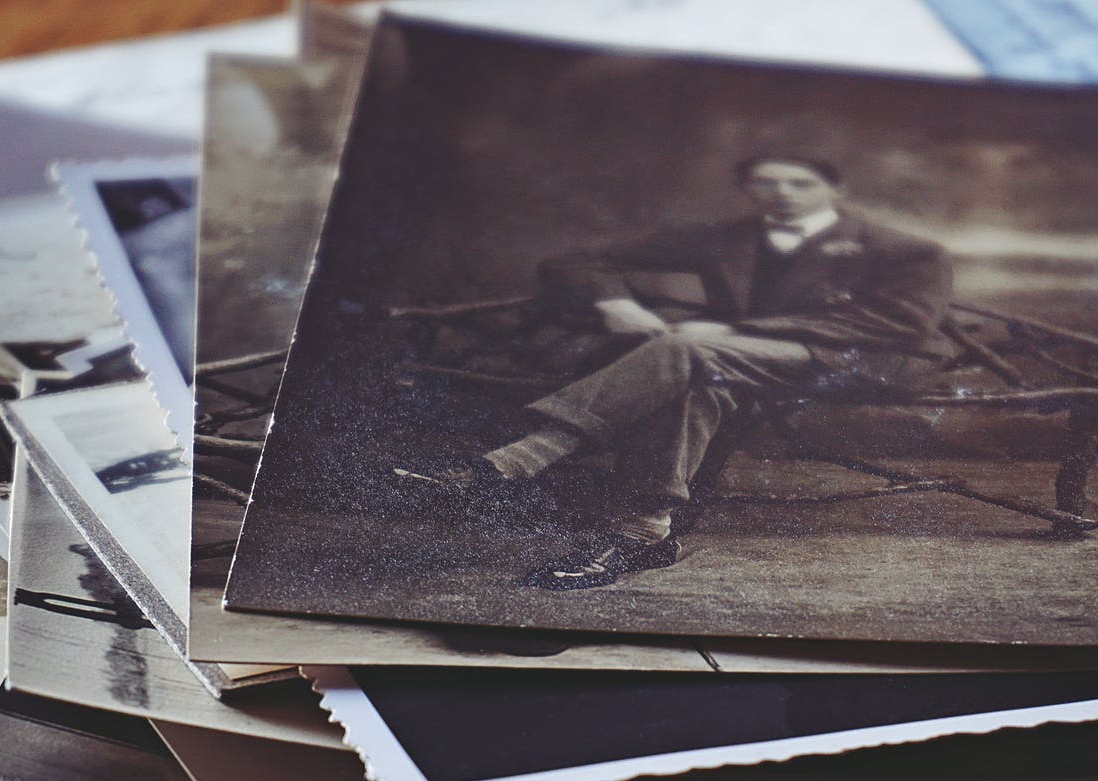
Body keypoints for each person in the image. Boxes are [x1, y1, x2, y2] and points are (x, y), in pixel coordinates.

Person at [396, 155, 955, 590]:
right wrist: (615, 305)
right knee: (694, 380)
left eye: (799, 182)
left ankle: (516, 461)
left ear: (836, 190)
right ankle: (641, 535)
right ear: (747, 189)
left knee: (689, 352)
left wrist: (738, 333)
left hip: (847, 364)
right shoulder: (726, 237)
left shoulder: (903, 248)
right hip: (728, 364)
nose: (781, 192)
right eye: (765, 182)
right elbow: (574, 261)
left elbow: (901, 322)